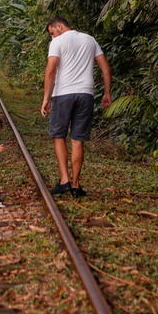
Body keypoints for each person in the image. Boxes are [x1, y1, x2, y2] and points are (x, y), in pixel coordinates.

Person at [40, 15, 112, 197]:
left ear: (59, 26)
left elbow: (51, 69)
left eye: (52, 32)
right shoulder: (90, 40)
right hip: (86, 94)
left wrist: (46, 98)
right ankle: (75, 184)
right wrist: (107, 93)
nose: (52, 37)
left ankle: (64, 180)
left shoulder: (57, 42)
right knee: (77, 139)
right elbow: (105, 68)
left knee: (59, 136)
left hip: (62, 94)